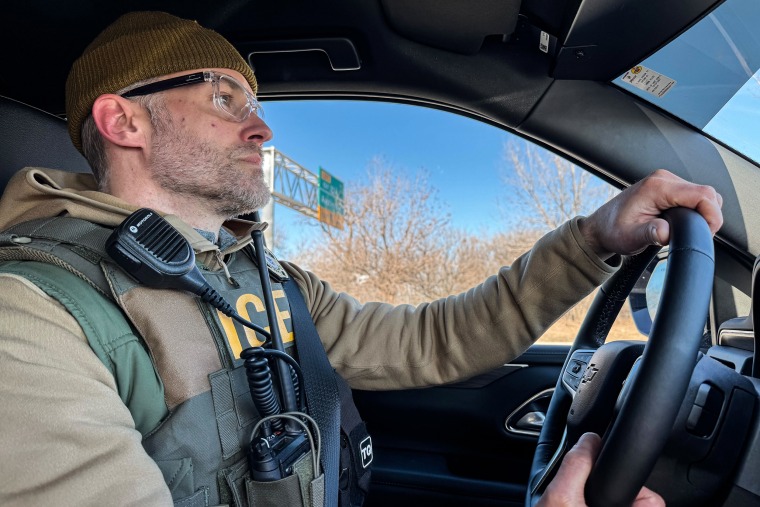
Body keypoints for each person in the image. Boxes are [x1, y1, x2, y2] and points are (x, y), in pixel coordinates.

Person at [0, 11, 720, 507]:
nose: (261, 126)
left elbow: (430, 341)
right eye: (224, 98)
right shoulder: (33, 313)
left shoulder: (263, 275)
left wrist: (592, 238)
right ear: (123, 119)